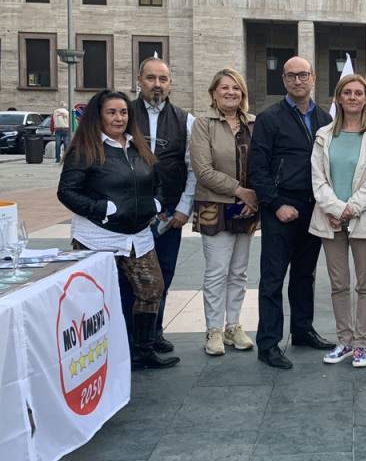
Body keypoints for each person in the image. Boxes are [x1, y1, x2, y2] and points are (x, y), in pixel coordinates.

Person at [56, 89, 179, 370]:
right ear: (98, 115)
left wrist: (157, 202)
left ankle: (142, 350)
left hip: (138, 237)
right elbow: (66, 192)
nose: (118, 118)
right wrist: (102, 209)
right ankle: (98, 356)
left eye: (123, 112)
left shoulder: (137, 146)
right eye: (111, 112)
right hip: (97, 237)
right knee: (96, 300)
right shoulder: (84, 149)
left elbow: (156, 179)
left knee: (152, 289)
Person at [249, 56, 335, 369]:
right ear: (284, 80)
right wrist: (275, 204)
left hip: (313, 209)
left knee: (305, 275)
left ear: (312, 78)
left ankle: (302, 329)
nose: (297, 81)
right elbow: (256, 169)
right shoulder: (269, 118)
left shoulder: (325, 119)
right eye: (290, 76)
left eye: (302, 75)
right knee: (272, 279)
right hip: (281, 208)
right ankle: (268, 344)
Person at [310, 74, 366, 368]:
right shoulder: (323, 135)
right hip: (329, 219)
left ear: (365, 98)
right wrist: (334, 207)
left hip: (364, 219)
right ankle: (343, 340)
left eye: (358, 93)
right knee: (339, 283)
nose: (353, 97)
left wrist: (349, 209)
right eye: (347, 93)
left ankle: (361, 345)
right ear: (339, 98)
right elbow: (318, 179)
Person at [130, 57, 197, 354]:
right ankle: (132, 336)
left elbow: (192, 168)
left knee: (164, 273)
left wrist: (184, 208)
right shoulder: (123, 113)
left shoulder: (186, 119)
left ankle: (154, 331)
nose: (157, 85)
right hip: (130, 215)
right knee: (131, 277)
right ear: (139, 80)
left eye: (163, 79)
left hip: (169, 214)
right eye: (151, 78)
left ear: (170, 84)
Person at [190, 68, 259, 356]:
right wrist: (239, 190)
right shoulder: (203, 124)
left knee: (239, 271)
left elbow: (262, 161)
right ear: (214, 93)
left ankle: (234, 325)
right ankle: (214, 330)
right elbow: (203, 170)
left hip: (247, 207)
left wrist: (253, 196)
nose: (231, 93)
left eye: (236, 88)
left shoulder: (253, 124)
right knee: (217, 272)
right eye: (224, 88)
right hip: (215, 206)